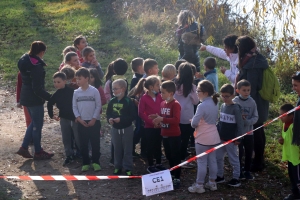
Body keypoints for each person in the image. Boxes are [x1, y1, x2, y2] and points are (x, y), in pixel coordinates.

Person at [235, 35, 269, 172]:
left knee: (257, 130)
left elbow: (252, 87)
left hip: (255, 103)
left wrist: (246, 106)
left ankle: (258, 162)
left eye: (238, 47)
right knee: (259, 129)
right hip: (257, 102)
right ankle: (258, 159)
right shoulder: (255, 59)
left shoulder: (253, 64)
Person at [16, 41, 53, 160]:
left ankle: (24, 147)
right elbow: (37, 89)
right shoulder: (36, 67)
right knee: (37, 125)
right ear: (41, 52)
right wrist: (50, 98)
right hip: (34, 99)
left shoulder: (24, 60)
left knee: (33, 123)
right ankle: (38, 151)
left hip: (25, 96)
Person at [188, 80, 220, 194]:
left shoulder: (202, 106)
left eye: (198, 91)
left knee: (201, 162)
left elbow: (194, 123)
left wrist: (193, 121)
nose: (197, 93)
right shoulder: (215, 102)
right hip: (214, 136)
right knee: (212, 160)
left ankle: (199, 185)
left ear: (205, 93)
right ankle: (212, 183)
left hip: (202, 137)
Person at [150, 81, 182, 189]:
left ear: (171, 93)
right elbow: (163, 117)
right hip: (165, 134)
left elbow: (176, 120)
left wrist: (162, 119)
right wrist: (157, 120)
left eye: (163, 93)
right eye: (160, 92)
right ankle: (172, 174)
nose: (161, 95)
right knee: (168, 156)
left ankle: (177, 177)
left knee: (175, 156)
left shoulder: (176, 104)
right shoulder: (162, 103)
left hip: (174, 135)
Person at [47, 72, 80, 166]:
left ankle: (80, 152)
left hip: (74, 118)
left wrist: (79, 116)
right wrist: (51, 115)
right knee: (66, 137)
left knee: (78, 137)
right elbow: (49, 103)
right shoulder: (56, 94)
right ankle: (69, 155)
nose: (56, 84)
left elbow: (78, 103)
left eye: (58, 82)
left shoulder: (72, 91)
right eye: (54, 82)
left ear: (65, 81)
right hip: (64, 118)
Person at [72, 68, 101, 172]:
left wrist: (94, 119)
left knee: (95, 143)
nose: (77, 81)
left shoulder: (94, 91)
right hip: (82, 122)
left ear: (87, 78)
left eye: (79, 79)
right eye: (76, 79)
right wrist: (79, 119)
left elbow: (98, 106)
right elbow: (74, 107)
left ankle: (96, 162)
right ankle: (85, 163)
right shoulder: (76, 92)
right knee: (83, 143)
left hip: (94, 122)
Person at [106, 79, 136, 175]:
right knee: (116, 148)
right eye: (112, 89)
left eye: (115, 89)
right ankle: (117, 166)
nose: (113, 91)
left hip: (127, 129)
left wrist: (121, 119)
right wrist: (110, 119)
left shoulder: (128, 101)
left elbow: (132, 116)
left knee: (127, 149)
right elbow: (108, 114)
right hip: (115, 129)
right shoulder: (111, 101)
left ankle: (128, 168)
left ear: (123, 89)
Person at [216, 84, 243, 187]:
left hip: (231, 139)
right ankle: (220, 176)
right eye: (223, 96)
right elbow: (220, 121)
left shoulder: (236, 108)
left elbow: (240, 125)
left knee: (233, 159)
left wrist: (239, 138)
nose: (224, 98)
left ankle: (236, 178)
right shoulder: (222, 106)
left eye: (227, 96)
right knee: (218, 157)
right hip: (221, 138)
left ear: (232, 95)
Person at [136, 76, 165, 173]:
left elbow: (163, 108)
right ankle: (151, 165)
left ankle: (159, 163)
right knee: (150, 146)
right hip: (149, 127)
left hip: (159, 126)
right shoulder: (144, 98)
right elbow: (141, 113)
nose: (159, 87)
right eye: (158, 85)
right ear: (151, 87)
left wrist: (159, 120)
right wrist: (152, 121)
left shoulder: (160, 96)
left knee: (158, 145)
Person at [174, 62, 199, 168]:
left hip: (175, 115)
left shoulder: (175, 85)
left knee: (176, 137)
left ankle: (174, 156)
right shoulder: (192, 87)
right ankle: (182, 158)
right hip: (187, 117)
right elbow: (196, 102)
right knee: (185, 138)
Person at [233, 79, 258, 180]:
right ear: (238, 90)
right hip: (238, 133)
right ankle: (238, 171)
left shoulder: (252, 102)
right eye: (244, 90)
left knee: (249, 152)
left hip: (249, 132)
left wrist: (247, 122)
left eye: (248, 90)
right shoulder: (235, 101)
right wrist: (239, 119)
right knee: (239, 153)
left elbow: (256, 117)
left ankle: (247, 170)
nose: (247, 92)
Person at [278, 103, 300, 200]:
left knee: (298, 178)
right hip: (290, 157)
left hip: (297, 159)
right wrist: (281, 141)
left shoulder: (295, 127)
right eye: (280, 115)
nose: (280, 117)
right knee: (292, 176)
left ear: (291, 116)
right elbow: (285, 138)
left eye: (283, 115)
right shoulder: (284, 125)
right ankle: (295, 194)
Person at [129, 57, 146, 157]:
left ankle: (143, 150)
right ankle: (130, 147)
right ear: (140, 67)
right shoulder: (136, 79)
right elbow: (133, 95)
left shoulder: (139, 76)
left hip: (142, 109)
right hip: (138, 109)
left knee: (142, 130)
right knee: (139, 129)